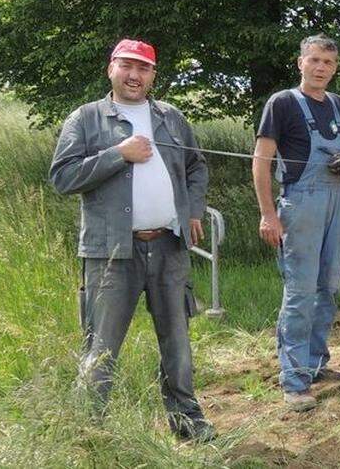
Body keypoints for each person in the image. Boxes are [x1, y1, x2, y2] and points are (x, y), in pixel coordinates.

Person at [50, 39, 213, 441]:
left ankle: (188, 423)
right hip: (110, 252)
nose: (134, 75)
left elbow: (196, 166)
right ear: (111, 69)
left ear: (153, 75)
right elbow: (62, 177)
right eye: (126, 66)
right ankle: (88, 431)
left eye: (143, 68)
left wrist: (192, 210)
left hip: (169, 248)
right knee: (101, 345)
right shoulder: (87, 119)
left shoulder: (170, 117)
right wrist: (118, 153)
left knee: (176, 344)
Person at [252, 35, 340, 412]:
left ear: (335, 68)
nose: (321, 68)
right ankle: (294, 379)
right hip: (300, 204)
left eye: (328, 63)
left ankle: (317, 363)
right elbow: (261, 161)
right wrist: (269, 214)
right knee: (300, 291)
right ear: (300, 62)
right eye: (315, 60)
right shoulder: (283, 103)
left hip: (337, 202)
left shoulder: (339, 106)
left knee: (329, 285)